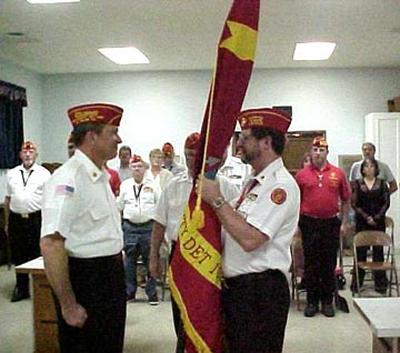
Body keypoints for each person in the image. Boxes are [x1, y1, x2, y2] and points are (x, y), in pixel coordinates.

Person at [198, 108, 300, 353]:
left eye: (245, 137)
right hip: (242, 290)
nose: (239, 143)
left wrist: (217, 200)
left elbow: (250, 239)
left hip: (260, 292)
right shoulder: (253, 181)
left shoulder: (280, 186)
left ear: (266, 143)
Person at [40, 103, 126, 353]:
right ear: (92, 137)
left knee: (109, 344)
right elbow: (51, 243)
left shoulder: (100, 176)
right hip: (87, 280)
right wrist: (67, 304)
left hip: (109, 275)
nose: (118, 139)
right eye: (113, 132)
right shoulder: (68, 179)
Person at [149, 132, 239, 353]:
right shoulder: (173, 186)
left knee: (210, 317)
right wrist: (153, 257)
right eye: (188, 154)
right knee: (181, 316)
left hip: (212, 260)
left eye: (197, 155)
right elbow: (159, 224)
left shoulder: (225, 187)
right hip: (179, 256)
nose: (192, 160)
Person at [295, 136, 351, 318]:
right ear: (310, 152)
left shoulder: (337, 173)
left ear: (327, 152)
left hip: (330, 223)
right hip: (308, 222)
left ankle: (327, 302)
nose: (318, 153)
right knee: (311, 264)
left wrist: (344, 222)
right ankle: (312, 302)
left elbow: (346, 199)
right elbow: (295, 202)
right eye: (315, 150)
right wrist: (295, 225)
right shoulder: (301, 175)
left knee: (328, 264)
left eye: (322, 150)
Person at [4, 141, 51, 302]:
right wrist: (7, 222)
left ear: (36, 155)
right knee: (19, 254)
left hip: (36, 219)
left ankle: (41, 290)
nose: (28, 155)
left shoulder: (44, 174)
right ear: (20, 155)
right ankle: (21, 288)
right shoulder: (12, 173)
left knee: (38, 254)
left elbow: (49, 200)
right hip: (17, 219)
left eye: (31, 152)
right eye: (25, 152)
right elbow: (8, 199)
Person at [117, 154, 160, 305]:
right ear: (130, 169)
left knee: (151, 260)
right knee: (130, 262)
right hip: (130, 228)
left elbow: (160, 207)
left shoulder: (153, 185)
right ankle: (130, 293)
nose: (136, 169)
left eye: (139, 166)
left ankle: (152, 293)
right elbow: (119, 206)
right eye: (134, 167)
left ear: (144, 168)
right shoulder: (125, 186)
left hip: (148, 227)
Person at [351, 157, 390, 293]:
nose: (369, 169)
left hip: (378, 222)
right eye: (366, 166)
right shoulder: (357, 183)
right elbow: (354, 204)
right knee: (361, 253)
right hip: (362, 222)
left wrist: (377, 217)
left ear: (376, 169)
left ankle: (380, 284)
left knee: (378, 252)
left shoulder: (382, 183)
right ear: (362, 169)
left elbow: (386, 203)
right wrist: (366, 217)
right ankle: (357, 283)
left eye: (372, 166)